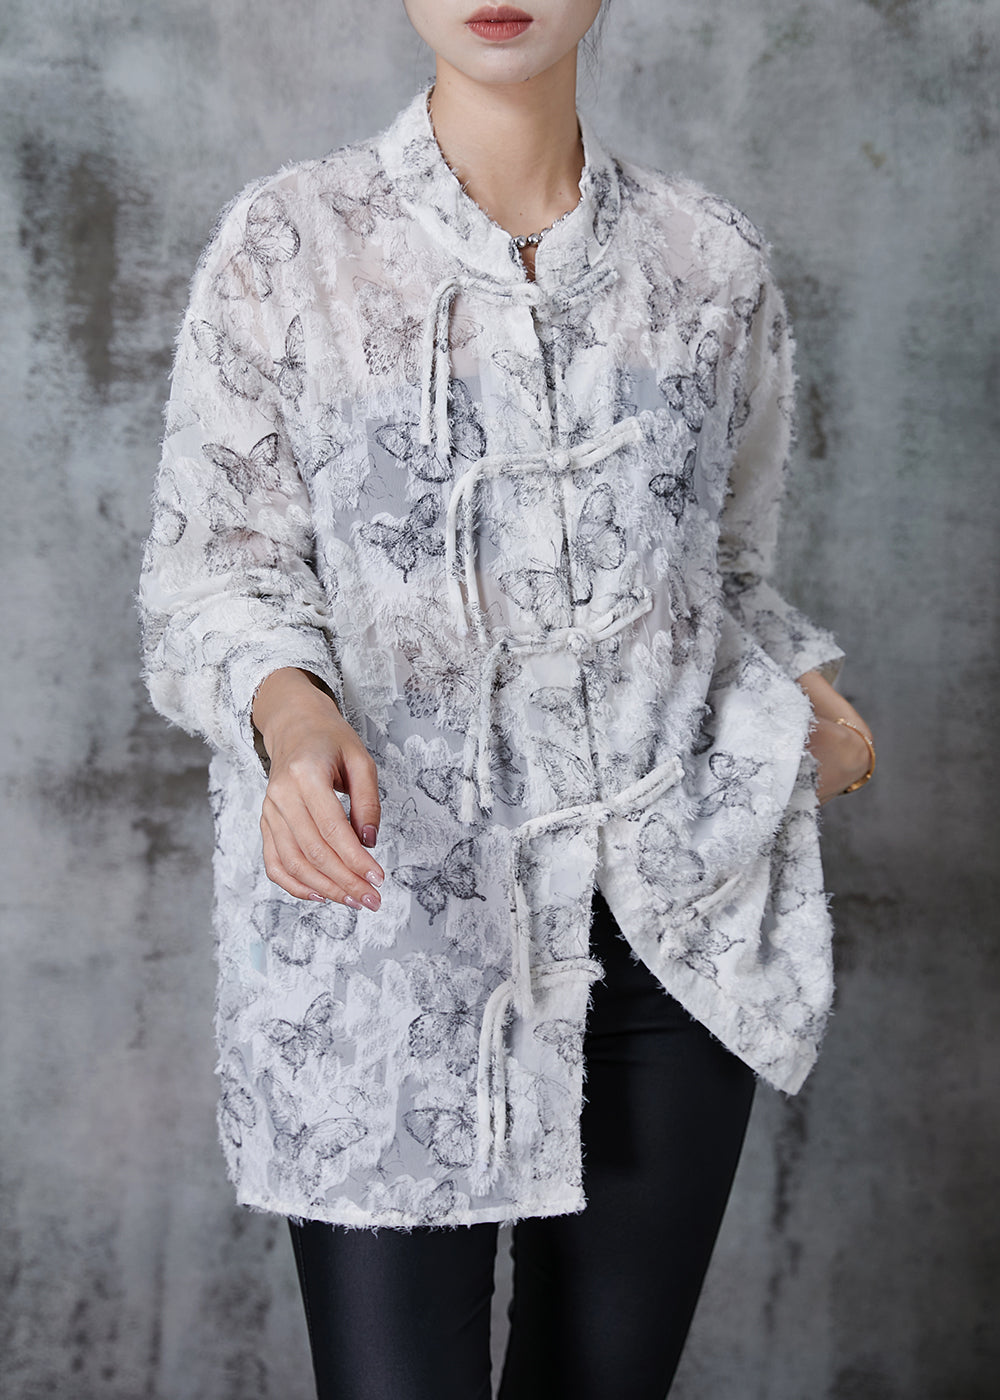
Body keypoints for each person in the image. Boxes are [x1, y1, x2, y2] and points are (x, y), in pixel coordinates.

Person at [138, 2, 875, 1395]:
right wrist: (296, 722)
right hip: (395, 935)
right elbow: (217, 577)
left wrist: (821, 715)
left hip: (670, 934)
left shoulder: (709, 262)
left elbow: (722, 572)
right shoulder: (291, 244)